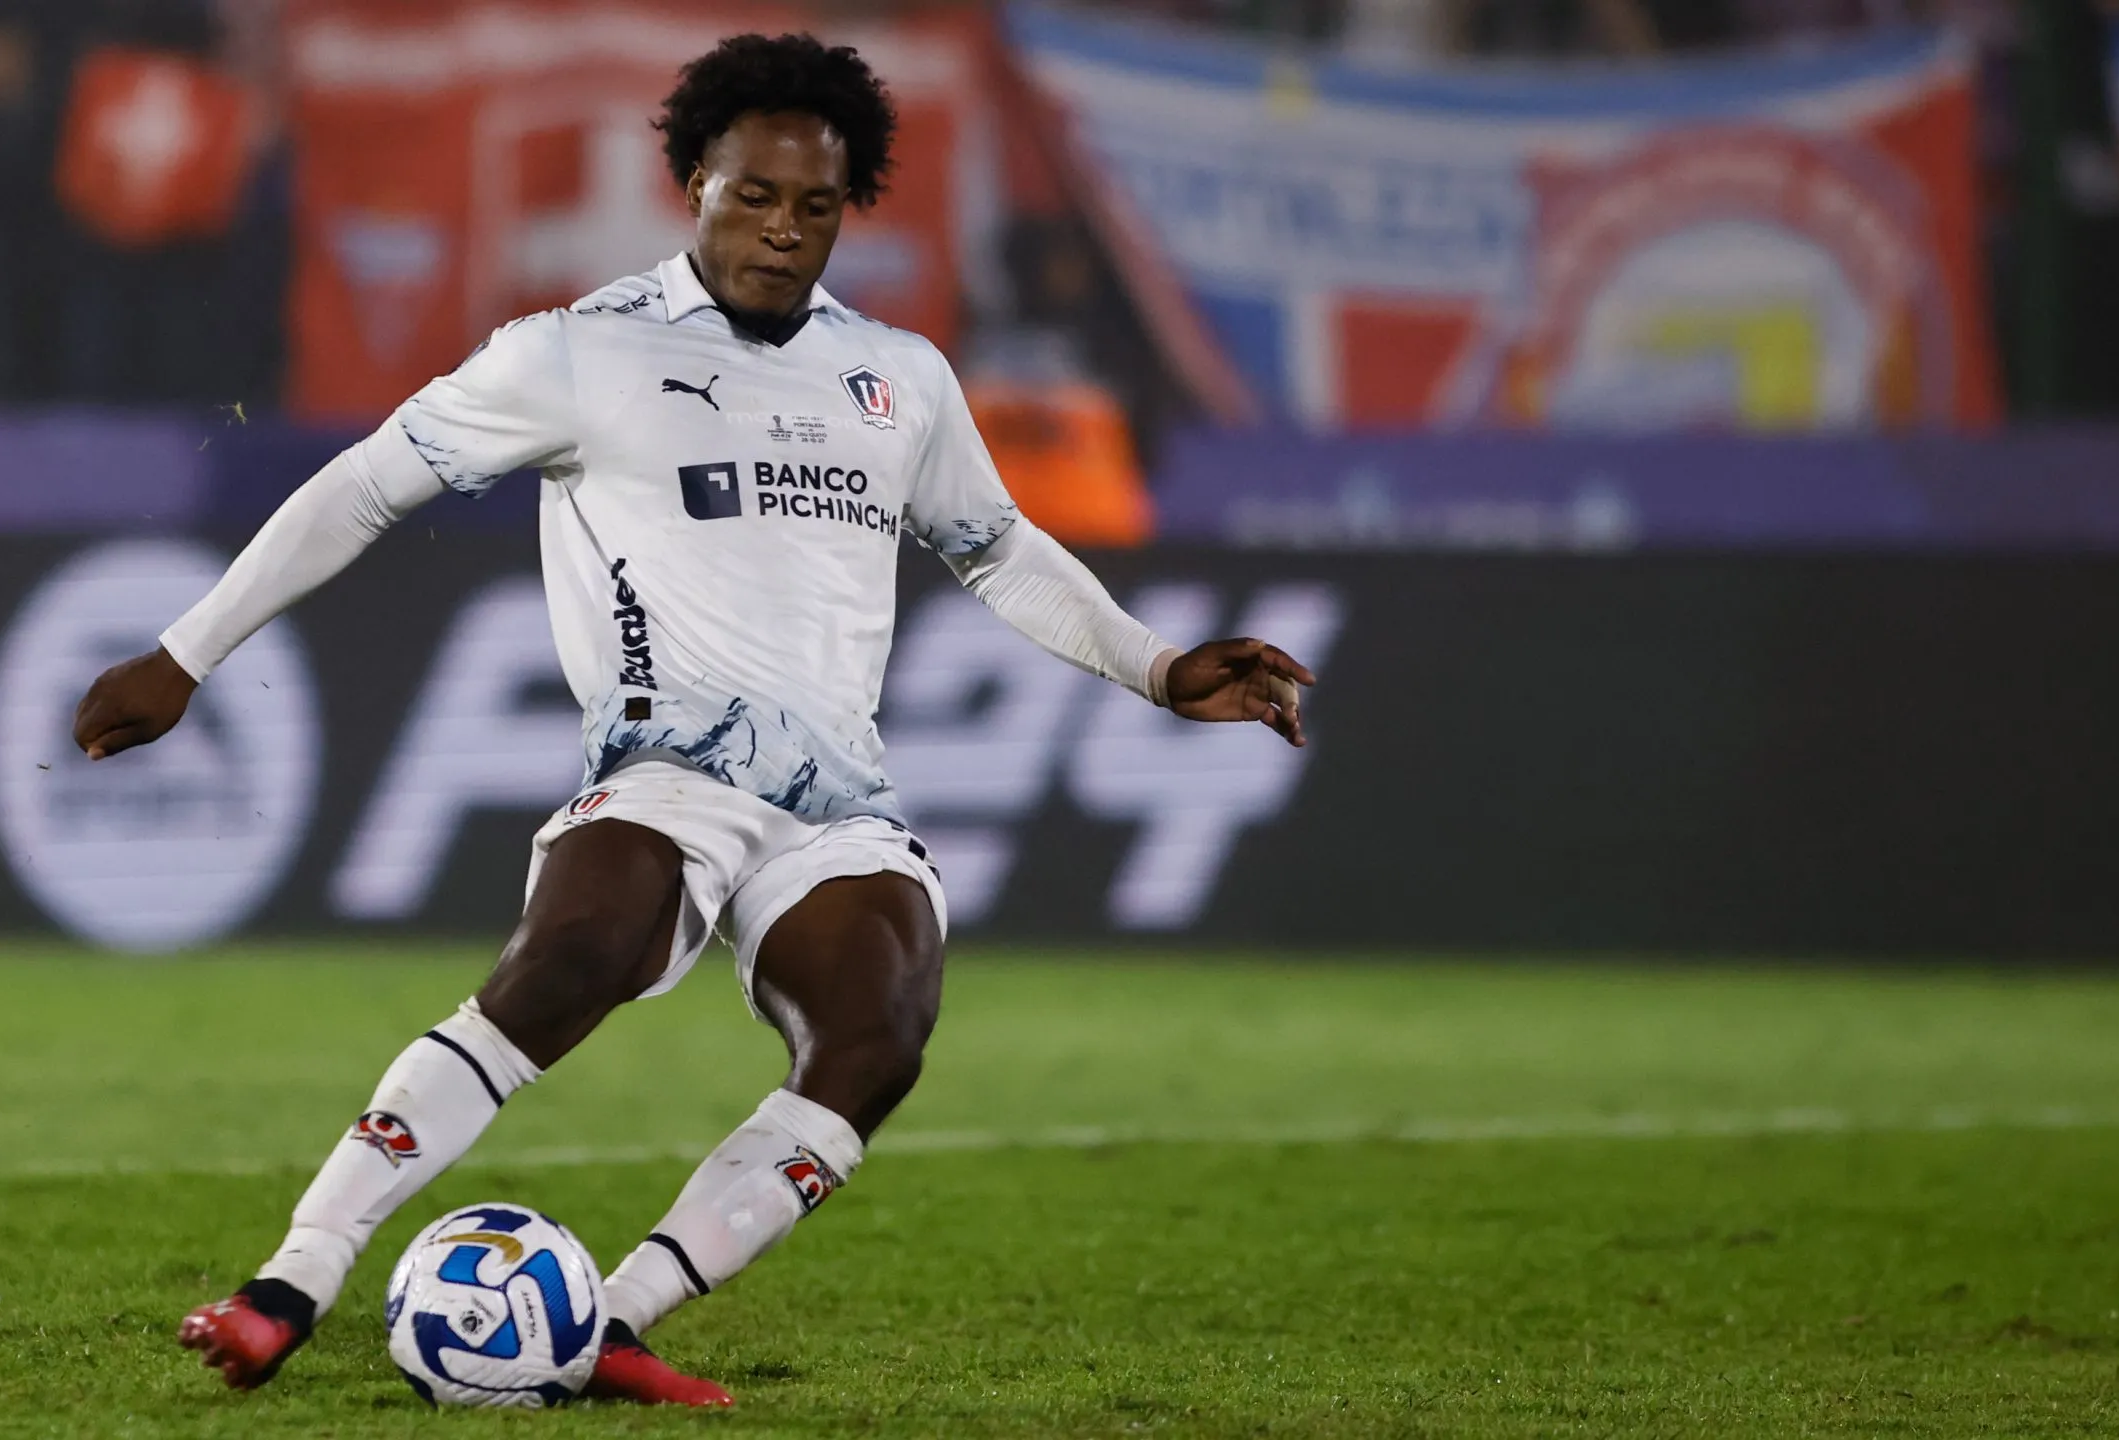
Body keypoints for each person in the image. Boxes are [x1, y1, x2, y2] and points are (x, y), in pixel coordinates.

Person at [70, 32, 1314, 1408]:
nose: (783, 232)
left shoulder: (899, 380)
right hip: (666, 773)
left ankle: (612, 1319)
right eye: (753, 197)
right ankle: (289, 1282)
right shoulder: (577, 354)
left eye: (816, 208)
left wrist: (1153, 668)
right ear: (694, 185)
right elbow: (364, 487)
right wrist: (185, 655)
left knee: (878, 1032)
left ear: (850, 210)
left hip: (836, 802)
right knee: (572, 960)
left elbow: (998, 547)